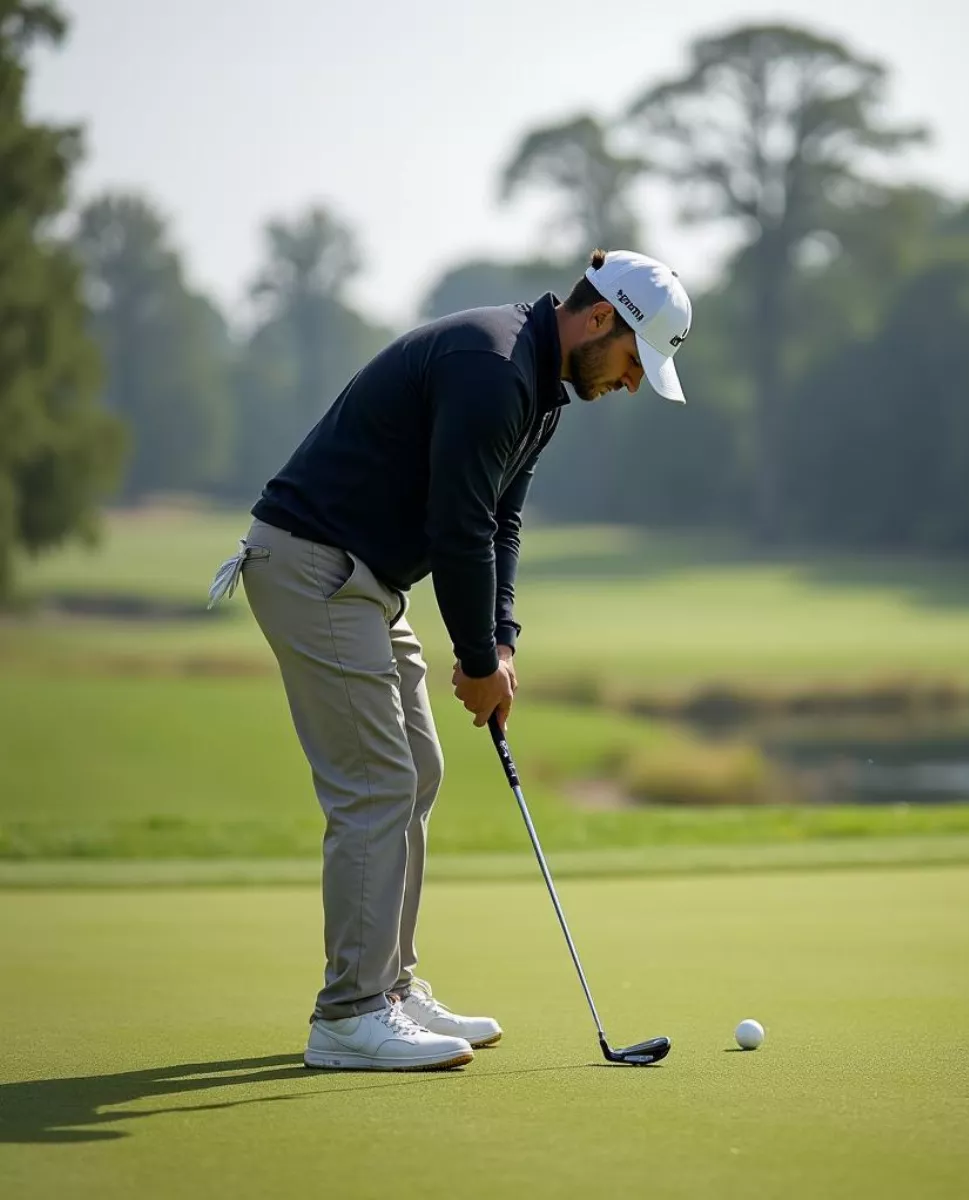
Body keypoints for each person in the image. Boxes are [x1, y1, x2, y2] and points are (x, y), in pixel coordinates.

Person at [206, 249, 693, 1071]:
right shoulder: (492, 368)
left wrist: (500, 641)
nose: (633, 383)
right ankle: (349, 1014)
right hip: (313, 567)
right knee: (377, 781)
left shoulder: (539, 392)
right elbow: (456, 525)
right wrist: (473, 661)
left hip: (362, 580)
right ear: (601, 318)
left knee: (418, 768)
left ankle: (390, 987)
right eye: (634, 362)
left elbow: (501, 521)